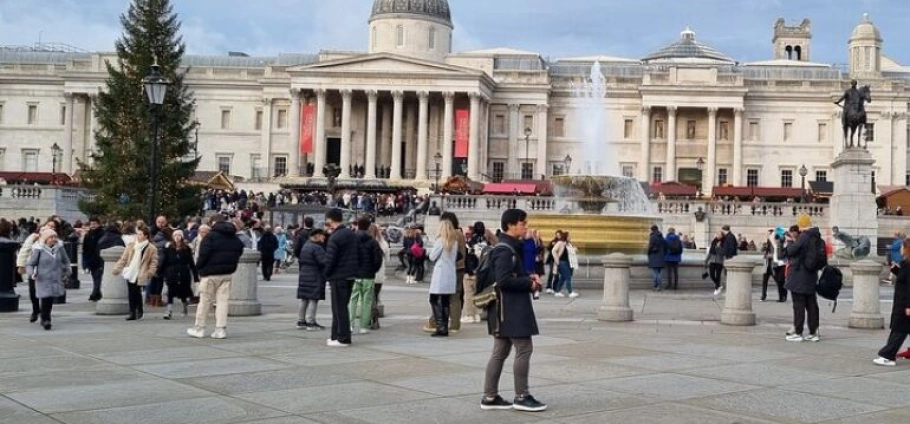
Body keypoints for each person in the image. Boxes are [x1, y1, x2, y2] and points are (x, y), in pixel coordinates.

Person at [480, 208, 546, 412]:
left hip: (503, 309)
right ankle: (522, 395)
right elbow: (504, 280)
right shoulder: (504, 249)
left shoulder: (507, 246)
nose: (526, 227)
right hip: (510, 308)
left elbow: (510, 274)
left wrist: (529, 276)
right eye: (523, 223)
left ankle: (490, 396)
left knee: (500, 351)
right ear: (510, 225)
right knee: (524, 348)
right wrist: (529, 284)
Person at [187, 216, 244, 339]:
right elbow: (239, 250)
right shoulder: (234, 238)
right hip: (227, 273)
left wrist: (199, 269)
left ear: (213, 223)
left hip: (210, 273)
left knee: (205, 301)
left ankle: (199, 328)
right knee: (222, 302)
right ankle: (220, 329)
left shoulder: (210, 237)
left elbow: (203, 255)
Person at [781, 215, 822, 342]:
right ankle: (814, 332)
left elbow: (791, 251)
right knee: (811, 305)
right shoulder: (816, 235)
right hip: (811, 275)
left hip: (800, 275)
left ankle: (798, 333)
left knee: (798, 305)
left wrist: (789, 241)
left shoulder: (804, 236)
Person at [323, 208, 359, 347]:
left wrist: (326, 274)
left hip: (338, 275)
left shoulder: (335, 237)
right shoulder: (350, 233)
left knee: (338, 308)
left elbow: (330, 260)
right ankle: (335, 336)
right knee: (341, 306)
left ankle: (343, 338)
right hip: (350, 275)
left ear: (330, 220)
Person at [874, 237, 910, 366]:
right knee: (899, 329)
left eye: (902, 247)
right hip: (903, 302)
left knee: (899, 330)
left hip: (904, 302)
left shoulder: (908, 264)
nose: (900, 249)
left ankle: (888, 356)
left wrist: (908, 306)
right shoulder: (906, 263)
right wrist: (896, 270)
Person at [25, 228, 70, 330]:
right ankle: (46, 319)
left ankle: (44, 318)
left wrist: (68, 271)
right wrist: (32, 273)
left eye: (55, 237)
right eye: (51, 237)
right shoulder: (38, 249)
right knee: (45, 298)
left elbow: (66, 261)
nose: (54, 239)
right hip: (42, 278)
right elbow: (30, 264)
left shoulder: (59, 248)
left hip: (55, 278)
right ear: (45, 239)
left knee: (49, 299)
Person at [112, 226, 158, 321]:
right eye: (137, 234)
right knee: (131, 292)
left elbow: (154, 262)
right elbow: (123, 259)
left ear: (146, 236)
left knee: (136, 291)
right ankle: (132, 312)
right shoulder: (131, 245)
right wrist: (117, 268)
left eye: (140, 234)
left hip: (141, 272)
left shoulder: (151, 248)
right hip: (130, 271)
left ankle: (138, 310)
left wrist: (150, 272)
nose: (138, 236)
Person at [349, 217, 384, 335]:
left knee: (352, 299)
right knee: (367, 301)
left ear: (358, 225)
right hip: (368, 274)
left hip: (354, 274)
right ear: (369, 227)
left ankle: (349, 324)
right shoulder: (373, 242)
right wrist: (373, 270)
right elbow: (378, 259)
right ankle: (364, 326)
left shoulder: (352, 240)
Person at [157, 229, 198, 319]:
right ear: (173, 237)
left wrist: (195, 277)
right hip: (171, 273)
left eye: (179, 235)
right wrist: (159, 272)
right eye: (175, 235)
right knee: (171, 291)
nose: (177, 237)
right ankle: (169, 310)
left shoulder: (186, 249)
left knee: (183, 291)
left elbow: (191, 263)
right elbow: (164, 261)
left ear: (182, 237)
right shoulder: (168, 248)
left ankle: (184, 306)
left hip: (183, 272)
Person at [428, 219, 458, 337]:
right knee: (445, 301)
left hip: (440, 273)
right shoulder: (454, 242)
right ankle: (444, 325)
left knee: (434, 299)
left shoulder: (440, 241)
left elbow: (432, 256)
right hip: (450, 272)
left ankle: (440, 326)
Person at [297, 229, 327, 330]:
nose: (324, 237)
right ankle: (311, 322)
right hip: (315, 274)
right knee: (314, 298)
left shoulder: (306, 246)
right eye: (323, 235)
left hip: (304, 274)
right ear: (317, 236)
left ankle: (301, 321)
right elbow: (323, 262)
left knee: (304, 298)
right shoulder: (317, 248)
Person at [82, 217, 105, 302]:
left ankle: (94, 293)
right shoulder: (88, 235)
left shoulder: (102, 234)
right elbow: (85, 249)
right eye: (91, 224)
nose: (93, 226)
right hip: (91, 260)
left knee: (97, 277)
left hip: (99, 259)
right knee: (95, 277)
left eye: (94, 224)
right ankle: (97, 293)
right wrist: (85, 263)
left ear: (99, 224)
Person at [551, 232, 579, 298]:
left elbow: (569, 252)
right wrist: (557, 260)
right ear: (565, 237)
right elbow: (553, 251)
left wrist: (574, 250)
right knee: (568, 277)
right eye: (569, 236)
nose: (570, 237)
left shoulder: (569, 244)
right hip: (562, 262)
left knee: (563, 278)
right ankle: (570, 292)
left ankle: (557, 291)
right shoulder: (560, 243)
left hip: (569, 262)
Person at [706, 231, 726, 296]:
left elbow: (723, 253)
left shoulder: (724, 242)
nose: (717, 235)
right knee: (711, 274)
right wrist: (706, 260)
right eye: (717, 234)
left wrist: (718, 247)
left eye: (719, 234)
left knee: (718, 275)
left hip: (719, 261)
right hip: (712, 260)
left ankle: (717, 288)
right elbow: (710, 252)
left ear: (722, 236)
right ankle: (718, 285)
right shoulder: (714, 241)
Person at [647, 225, 666, 292]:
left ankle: (656, 285)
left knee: (655, 272)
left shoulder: (652, 236)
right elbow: (665, 245)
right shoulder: (661, 236)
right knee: (659, 272)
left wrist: (648, 253)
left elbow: (650, 246)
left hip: (654, 256)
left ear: (652, 230)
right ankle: (659, 286)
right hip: (661, 256)